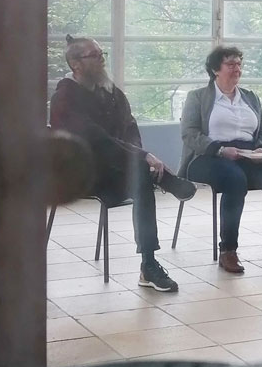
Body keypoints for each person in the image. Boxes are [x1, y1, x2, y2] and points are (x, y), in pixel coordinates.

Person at [49, 35, 196, 293]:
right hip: (81, 176)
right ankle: (163, 179)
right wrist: (140, 156)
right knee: (139, 168)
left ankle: (148, 264)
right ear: (76, 64)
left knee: (140, 173)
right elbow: (95, 138)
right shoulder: (64, 97)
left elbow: (130, 127)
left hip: (116, 170)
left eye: (102, 53)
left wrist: (139, 153)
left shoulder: (111, 92)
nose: (102, 59)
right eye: (95, 55)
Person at [179, 45, 262, 274]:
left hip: (248, 154)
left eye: (239, 64)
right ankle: (228, 250)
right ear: (215, 69)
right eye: (230, 64)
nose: (237, 69)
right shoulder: (198, 97)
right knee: (235, 180)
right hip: (209, 156)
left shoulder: (250, 97)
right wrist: (220, 150)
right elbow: (190, 134)